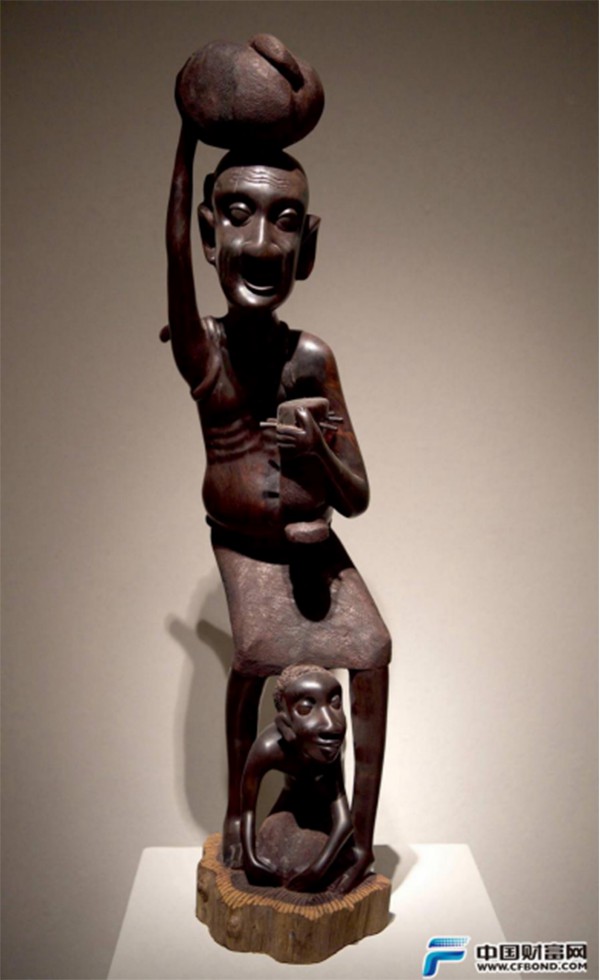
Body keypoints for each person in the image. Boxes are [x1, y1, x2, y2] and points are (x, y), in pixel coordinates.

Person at [164, 115, 390, 891]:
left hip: (315, 547)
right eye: (236, 215)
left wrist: (318, 451)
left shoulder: (313, 358)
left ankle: (358, 839)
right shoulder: (204, 352)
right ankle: (238, 813)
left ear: (308, 246)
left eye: (285, 221)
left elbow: (358, 497)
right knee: (257, 655)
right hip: (244, 547)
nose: (261, 244)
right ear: (208, 232)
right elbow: (171, 262)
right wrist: (186, 133)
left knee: (374, 650)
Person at [240, 664, 353, 892]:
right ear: (285, 725)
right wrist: (250, 858)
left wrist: (316, 871)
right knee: (271, 857)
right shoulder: (268, 748)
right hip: (290, 802)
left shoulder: (329, 751)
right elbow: (247, 809)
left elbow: (344, 821)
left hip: (322, 810)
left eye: (335, 704)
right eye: (306, 708)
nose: (331, 724)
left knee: (309, 860)